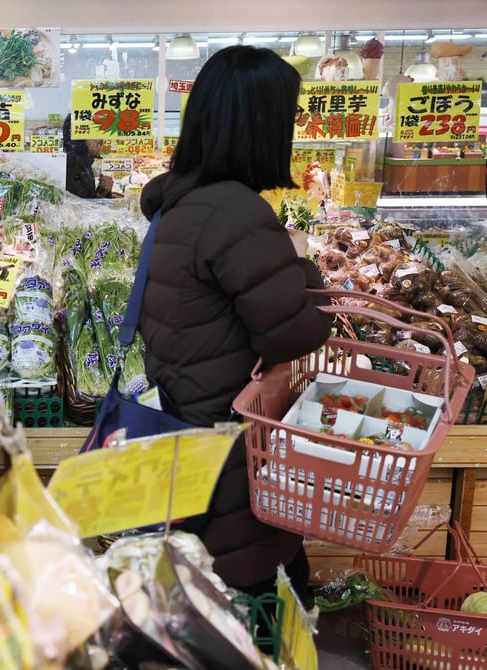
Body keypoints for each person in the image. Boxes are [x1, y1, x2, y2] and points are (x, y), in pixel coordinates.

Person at [137, 45, 334, 596]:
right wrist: (310, 276)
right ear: (257, 124)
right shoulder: (235, 211)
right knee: (246, 595)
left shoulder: (178, 203)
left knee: (210, 589)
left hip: (190, 423)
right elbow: (291, 331)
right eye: (285, 117)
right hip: (231, 446)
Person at [62, 114, 113, 198]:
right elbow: (79, 206)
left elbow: (87, 201)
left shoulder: (84, 160)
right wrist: (102, 193)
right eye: (94, 135)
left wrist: (102, 191)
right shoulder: (72, 163)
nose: (100, 141)